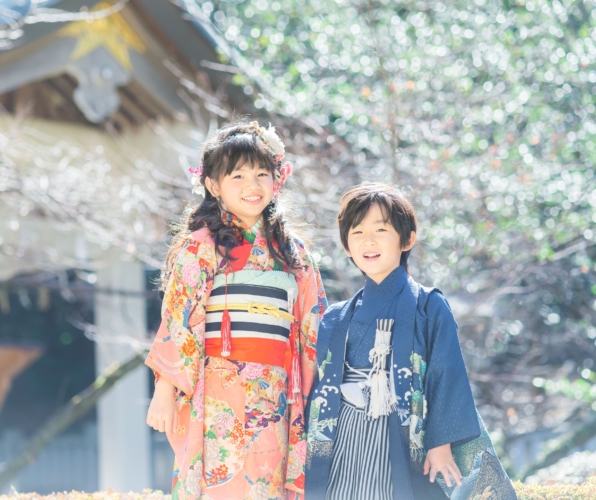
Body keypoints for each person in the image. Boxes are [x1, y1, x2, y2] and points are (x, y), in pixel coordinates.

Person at [145, 121, 327, 500]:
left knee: (269, 486)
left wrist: (317, 395)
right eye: (238, 175)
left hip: (276, 390)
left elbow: (313, 324)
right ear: (213, 185)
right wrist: (165, 389)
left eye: (262, 174)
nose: (252, 185)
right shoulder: (201, 246)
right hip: (217, 390)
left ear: (277, 180)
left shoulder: (293, 253)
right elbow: (180, 318)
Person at [305, 183, 516, 500]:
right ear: (346, 246)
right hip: (344, 432)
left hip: (401, 433)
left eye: (381, 229)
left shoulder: (429, 307)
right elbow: (319, 386)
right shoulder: (336, 317)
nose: (369, 241)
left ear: (407, 239)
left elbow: (447, 375)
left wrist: (440, 442)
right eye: (358, 232)